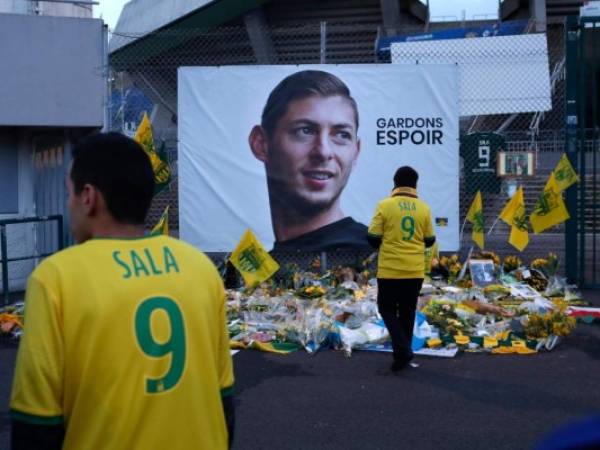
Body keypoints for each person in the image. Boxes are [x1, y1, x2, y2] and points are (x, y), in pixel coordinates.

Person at [10, 133, 235, 450]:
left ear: (88, 197)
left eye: (68, 193)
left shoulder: (56, 277)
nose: (69, 203)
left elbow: (36, 424)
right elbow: (224, 398)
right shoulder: (199, 268)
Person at [249, 70, 370, 252]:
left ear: (356, 152)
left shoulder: (375, 257)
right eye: (305, 131)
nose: (323, 152)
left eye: (341, 135)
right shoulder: (261, 266)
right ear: (261, 144)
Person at [367, 166, 436, 372]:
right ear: (415, 185)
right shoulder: (423, 208)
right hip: (414, 271)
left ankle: (403, 349)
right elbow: (430, 240)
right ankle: (401, 357)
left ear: (395, 183)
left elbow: (372, 237)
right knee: (407, 312)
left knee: (386, 309)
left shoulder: (385, 205)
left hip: (390, 269)